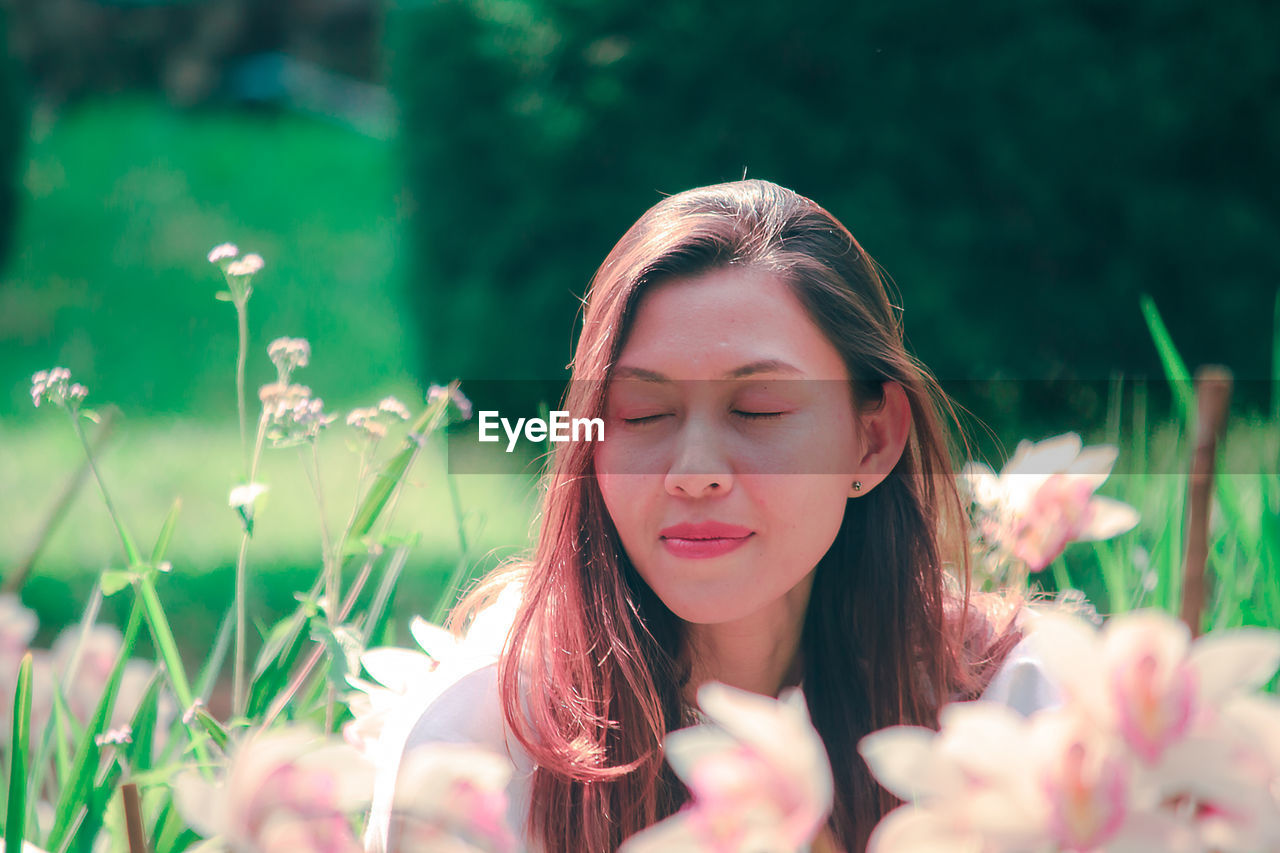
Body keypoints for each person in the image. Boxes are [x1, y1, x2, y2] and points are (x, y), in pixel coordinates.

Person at [367, 179, 1060, 853]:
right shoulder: (479, 748)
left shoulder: (1015, 714)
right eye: (641, 413)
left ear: (872, 439)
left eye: (758, 410)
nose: (694, 470)